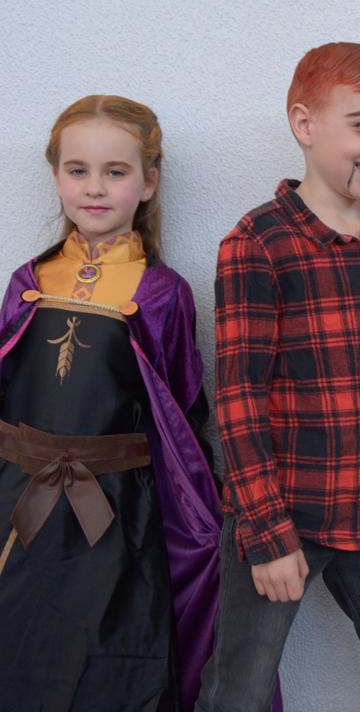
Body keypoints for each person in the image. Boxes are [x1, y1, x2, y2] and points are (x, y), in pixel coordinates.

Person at [197, 42, 360, 712]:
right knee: (238, 688)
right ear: (305, 124)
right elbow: (240, 400)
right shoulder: (257, 243)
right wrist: (269, 536)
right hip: (284, 516)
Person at [0, 95, 222, 711]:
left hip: (120, 519)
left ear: (147, 183)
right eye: (78, 170)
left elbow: (181, 416)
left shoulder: (162, 294)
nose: (94, 188)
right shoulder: (28, 284)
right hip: (19, 504)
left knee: (111, 664)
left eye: (115, 172)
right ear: (56, 177)